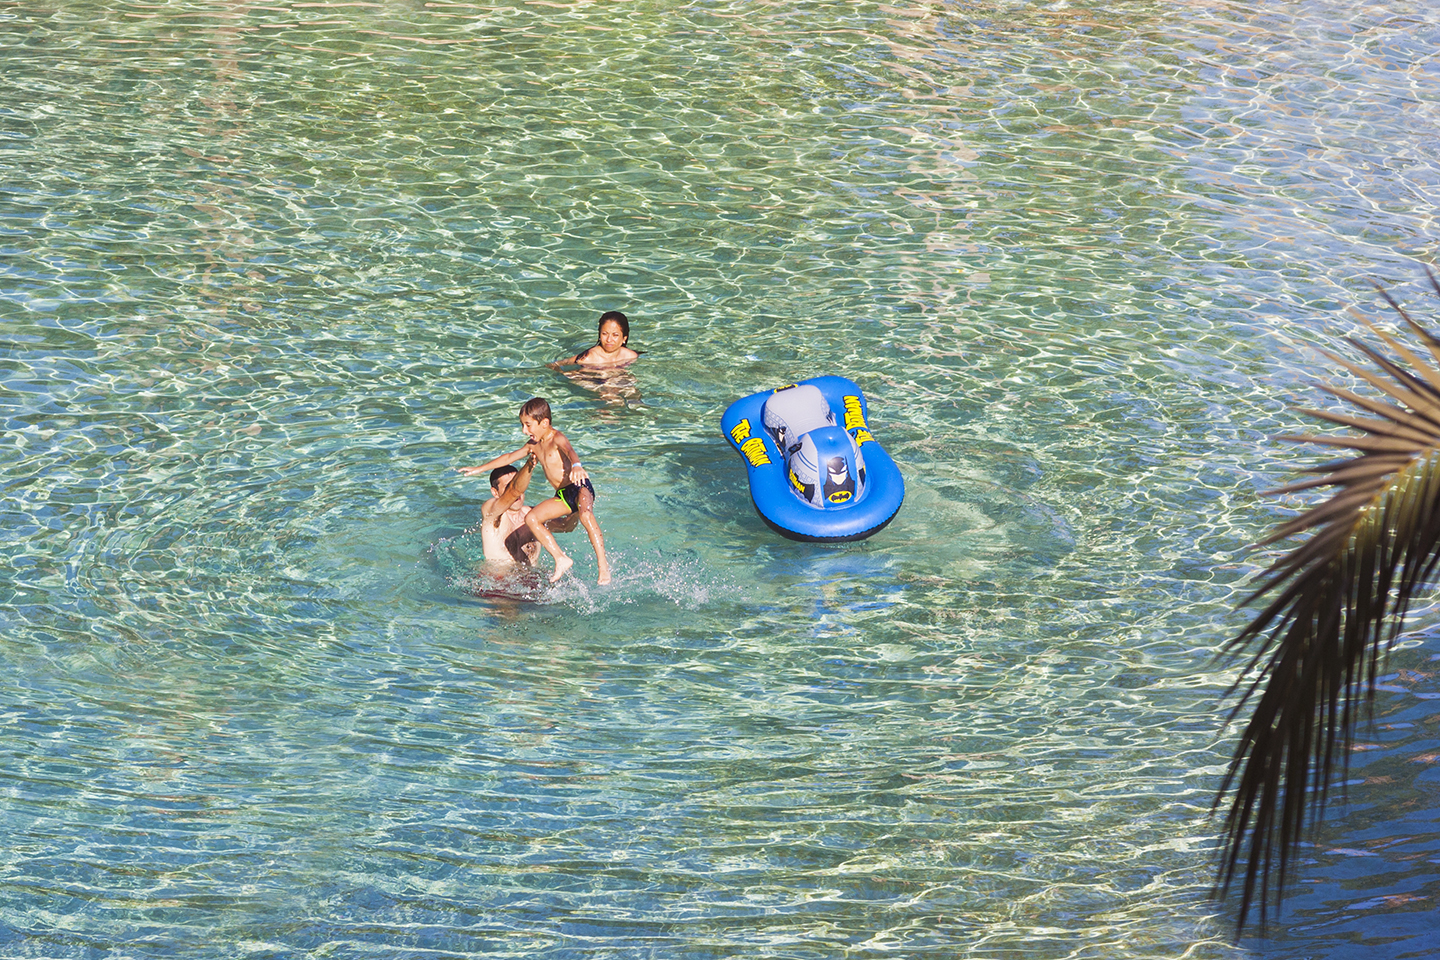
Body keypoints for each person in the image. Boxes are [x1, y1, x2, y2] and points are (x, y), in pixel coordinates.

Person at [459, 397, 611, 584]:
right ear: (495, 493)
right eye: (523, 425)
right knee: (532, 519)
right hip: (501, 584)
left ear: (544, 423)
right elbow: (509, 464)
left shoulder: (557, 438)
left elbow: (570, 450)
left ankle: (601, 567)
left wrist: (577, 469)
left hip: (578, 487)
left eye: (528, 425)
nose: (525, 431)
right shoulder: (493, 512)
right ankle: (561, 558)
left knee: (586, 516)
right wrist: (478, 469)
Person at [472, 456, 540, 566]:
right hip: (499, 581)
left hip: (533, 579)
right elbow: (513, 492)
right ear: (495, 492)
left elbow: (566, 526)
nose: (517, 491)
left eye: (518, 483)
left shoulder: (534, 514)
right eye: (508, 486)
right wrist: (529, 465)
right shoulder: (491, 512)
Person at [565, 311, 638, 367]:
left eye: (615, 335)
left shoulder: (630, 356)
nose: (609, 340)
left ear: (624, 339)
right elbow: (556, 365)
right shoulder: (587, 359)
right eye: (604, 334)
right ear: (599, 334)